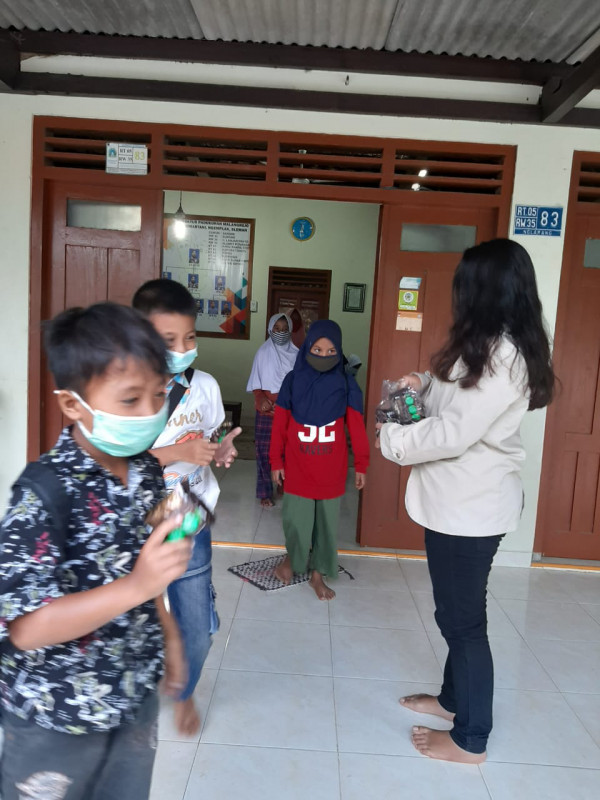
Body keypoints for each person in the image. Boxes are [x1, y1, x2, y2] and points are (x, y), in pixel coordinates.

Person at [0, 303, 193, 800]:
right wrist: (137, 584)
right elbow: (26, 627)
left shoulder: (147, 473)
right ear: (72, 405)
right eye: (130, 399)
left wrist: (171, 638)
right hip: (55, 714)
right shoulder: (43, 493)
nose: (150, 413)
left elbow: (151, 572)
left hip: (132, 696)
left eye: (159, 394)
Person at [377, 238, 555, 764]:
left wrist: (394, 439)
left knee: (463, 623)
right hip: (454, 502)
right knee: (454, 613)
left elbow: (454, 432)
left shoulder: (507, 357)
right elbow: (452, 395)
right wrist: (421, 382)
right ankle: (452, 700)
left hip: (471, 509)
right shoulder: (485, 344)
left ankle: (471, 739)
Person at [132, 279, 240, 737]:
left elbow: (208, 440)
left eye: (189, 337)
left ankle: (184, 691)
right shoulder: (125, 391)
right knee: (131, 620)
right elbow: (113, 463)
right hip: (134, 526)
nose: (182, 349)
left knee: (197, 629)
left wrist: (219, 451)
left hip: (187, 520)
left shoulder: (205, 387)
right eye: (168, 340)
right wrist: (177, 453)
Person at [270, 320, 370, 600]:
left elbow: (357, 427)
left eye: (330, 351)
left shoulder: (347, 384)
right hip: (297, 467)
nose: (324, 356)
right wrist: (276, 461)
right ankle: (293, 559)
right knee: (296, 520)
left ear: (339, 351)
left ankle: (318, 573)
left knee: (326, 526)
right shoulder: (293, 381)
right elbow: (279, 426)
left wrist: (361, 464)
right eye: (317, 349)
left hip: (331, 470)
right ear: (307, 349)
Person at [246, 313, 298, 508]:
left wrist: (288, 404)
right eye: (277, 329)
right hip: (267, 412)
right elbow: (256, 383)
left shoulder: (297, 355)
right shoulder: (262, 353)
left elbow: (300, 384)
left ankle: (284, 484)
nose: (281, 332)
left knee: (288, 451)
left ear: (290, 330)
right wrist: (262, 400)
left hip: (289, 411)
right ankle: (264, 492)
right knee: (264, 451)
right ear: (270, 329)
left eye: (285, 329)